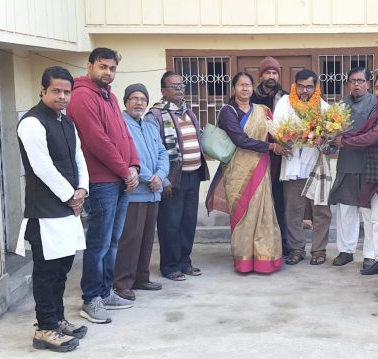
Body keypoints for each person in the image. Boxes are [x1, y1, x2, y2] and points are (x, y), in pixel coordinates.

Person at [16, 66, 88, 352]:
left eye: (66, 92)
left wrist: (82, 189)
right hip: (45, 211)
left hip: (68, 209)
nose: (62, 96)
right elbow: (42, 167)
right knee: (46, 272)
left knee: (62, 270)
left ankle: (57, 320)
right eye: (56, 91)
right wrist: (72, 195)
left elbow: (78, 157)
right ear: (43, 90)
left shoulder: (66, 122)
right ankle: (44, 328)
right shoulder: (31, 123)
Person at [67, 47, 139, 324]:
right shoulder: (83, 95)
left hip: (119, 180)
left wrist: (134, 166)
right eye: (103, 67)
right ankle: (91, 299)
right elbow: (96, 141)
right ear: (90, 66)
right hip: (101, 182)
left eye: (112, 68)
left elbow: (124, 134)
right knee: (98, 243)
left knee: (112, 241)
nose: (108, 72)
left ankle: (105, 291)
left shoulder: (106, 95)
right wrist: (125, 171)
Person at [333, 73, 378, 280]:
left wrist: (344, 142)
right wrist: (343, 137)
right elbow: (365, 131)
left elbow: (373, 137)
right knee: (377, 219)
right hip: (374, 171)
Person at [206, 72, 284, 273]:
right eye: (240, 85)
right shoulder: (228, 112)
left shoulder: (262, 110)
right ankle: (244, 261)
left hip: (260, 168)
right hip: (237, 172)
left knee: (263, 212)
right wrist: (271, 147)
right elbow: (240, 140)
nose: (245, 88)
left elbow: (277, 132)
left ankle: (264, 259)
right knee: (242, 214)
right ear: (234, 88)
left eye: (248, 85)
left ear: (252, 87)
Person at [146, 71, 209, 281]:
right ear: (163, 91)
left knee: (188, 222)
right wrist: (163, 179)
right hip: (171, 180)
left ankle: (185, 262)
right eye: (174, 86)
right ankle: (170, 266)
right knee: (170, 224)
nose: (180, 89)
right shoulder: (155, 115)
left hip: (192, 176)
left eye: (182, 85)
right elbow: (152, 150)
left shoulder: (188, 112)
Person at [113, 84, 169, 301]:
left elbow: (163, 152)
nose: (139, 103)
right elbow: (126, 156)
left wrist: (161, 176)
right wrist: (149, 177)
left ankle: (141, 278)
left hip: (154, 192)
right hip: (136, 192)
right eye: (134, 98)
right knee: (130, 239)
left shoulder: (150, 125)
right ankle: (122, 282)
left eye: (143, 99)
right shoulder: (121, 125)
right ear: (126, 102)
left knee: (146, 239)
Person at [274, 69, 332, 266]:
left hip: (317, 165)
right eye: (301, 86)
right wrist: (292, 135)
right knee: (293, 210)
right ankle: (296, 248)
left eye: (309, 86)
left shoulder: (324, 107)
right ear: (295, 86)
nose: (304, 90)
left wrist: (321, 137)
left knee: (321, 211)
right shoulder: (284, 103)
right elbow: (278, 127)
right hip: (293, 165)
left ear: (315, 87)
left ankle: (319, 250)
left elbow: (330, 136)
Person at [330, 67, 377, 268]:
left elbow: (373, 133)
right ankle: (345, 250)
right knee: (346, 210)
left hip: (369, 165)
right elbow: (331, 130)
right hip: (347, 164)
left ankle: (370, 254)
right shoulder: (341, 105)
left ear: (368, 83)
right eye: (352, 81)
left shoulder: (376, 104)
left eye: (360, 81)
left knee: (368, 212)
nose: (356, 84)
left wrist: (346, 139)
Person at [251, 56, 291, 256]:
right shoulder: (251, 97)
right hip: (256, 156)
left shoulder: (286, 98)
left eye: (275, 72)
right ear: (261, 75)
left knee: (279, 201)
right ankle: (257, 245)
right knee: (257, 201)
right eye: (268, 72)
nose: (271, 76)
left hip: (280, 158)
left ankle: (282, 245)